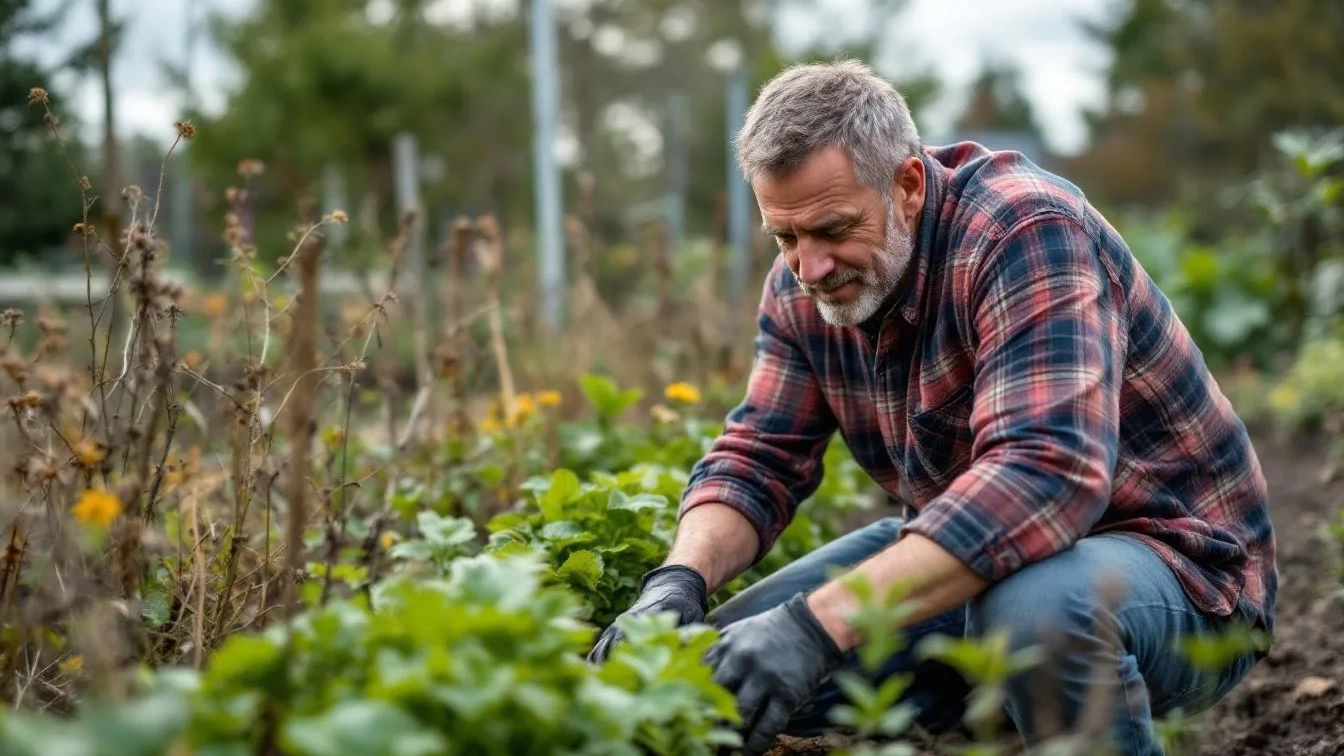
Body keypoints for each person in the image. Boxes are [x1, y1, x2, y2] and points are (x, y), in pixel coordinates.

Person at [586, 60, 1277, 756]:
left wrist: (818, 625)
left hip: (1181, 576)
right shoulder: (802, 285)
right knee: (712, 670)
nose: (810, 267)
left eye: (832, 229)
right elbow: (760, 456)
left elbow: (1046, 474)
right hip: (985, 560)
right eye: (786, 237)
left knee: (1036, 613)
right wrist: (678, 579)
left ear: (908, 185)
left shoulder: (1023, 230)